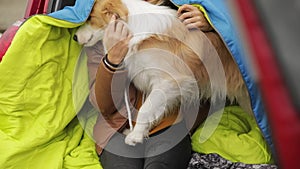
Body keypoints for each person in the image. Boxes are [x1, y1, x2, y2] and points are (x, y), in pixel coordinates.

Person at [88, 2, 214, 169]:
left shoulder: (183, 10)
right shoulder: (102, 19)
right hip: (117, 128)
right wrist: (112, 60)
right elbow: (104, 105)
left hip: (171, 122)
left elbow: (231, 29)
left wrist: (211, 23)